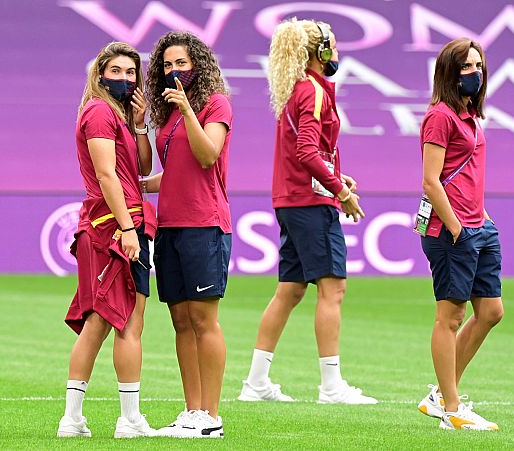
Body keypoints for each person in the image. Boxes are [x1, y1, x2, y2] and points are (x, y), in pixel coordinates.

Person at [237, 19, 376, 405]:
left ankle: (256, 383)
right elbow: (307, 153)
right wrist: (339, 191)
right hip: (310, 202)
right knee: (333, 289)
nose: (338, 54)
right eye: (335, 47)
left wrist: (336, 174)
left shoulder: (298, 91)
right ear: (323, 51)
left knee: (290, 290)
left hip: (292, 199)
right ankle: (331, 387)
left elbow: (309, 151)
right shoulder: (312, 91)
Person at [56, 41, 157, 439]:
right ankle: (129, 420)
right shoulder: (99, 112)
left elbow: (142, 168)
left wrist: (140, 124)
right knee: (130, 323)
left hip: (110, 223)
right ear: (99, 75)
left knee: (97, 323)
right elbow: (107, 175)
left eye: (131, 72)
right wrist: (129, 228)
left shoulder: (116, 114)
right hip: (116, 227)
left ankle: (72, 420)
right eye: (116, 71)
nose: (125, 79)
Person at [143, 31, 232, 438]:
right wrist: (144, 185)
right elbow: (177, 169)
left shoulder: (215, 104)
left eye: (181, 63)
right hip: (170, 225)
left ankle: (211, 415)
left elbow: (207, 154)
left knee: (203, 319)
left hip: (204, 224)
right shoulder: (167, 113)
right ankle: (191, 411)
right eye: (167, 65)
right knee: (180, 320)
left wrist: (188, 111)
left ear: (198, 64)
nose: (174, 70)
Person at [415, 38, 502, 431]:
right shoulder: (440, 116)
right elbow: (431, 182)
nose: (475, 73)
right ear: (450, 71)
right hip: (451, 229)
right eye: (466, 66)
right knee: (450, 317)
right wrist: (455, 225)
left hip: (479, 225)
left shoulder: (470, 113)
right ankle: (451, 409)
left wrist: (481, 216)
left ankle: (440, 394)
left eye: (478, 65)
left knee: (492, 312)